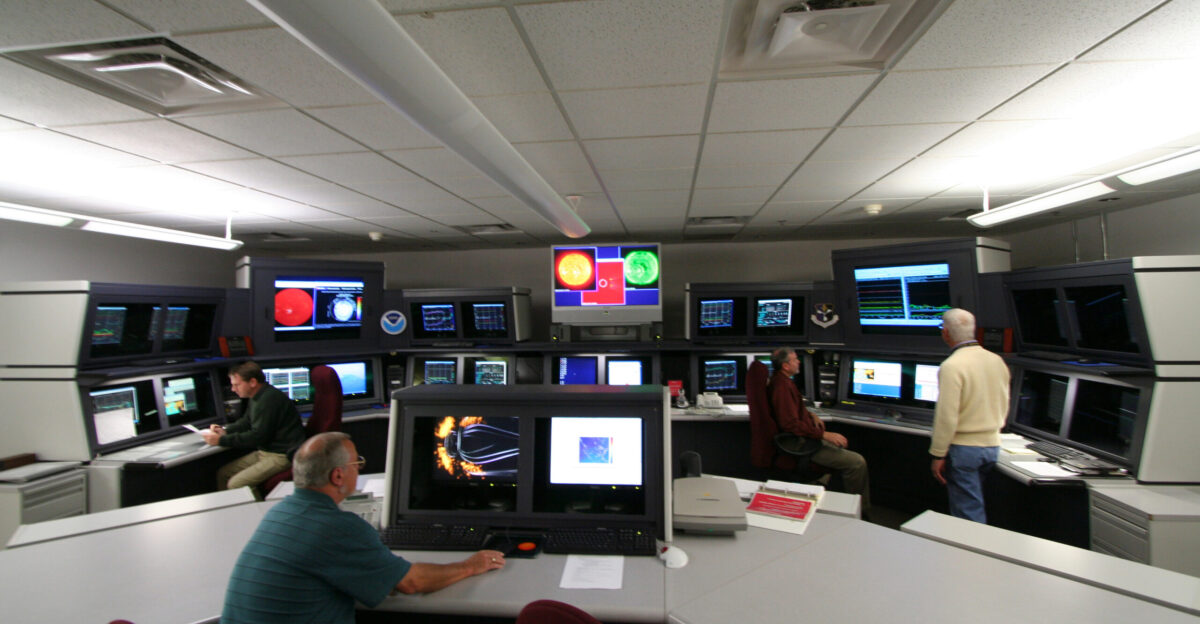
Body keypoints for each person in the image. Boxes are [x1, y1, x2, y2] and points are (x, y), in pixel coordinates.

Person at [221, 432, 506, 623]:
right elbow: (411, 582)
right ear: (337, 475)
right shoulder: (337, 527)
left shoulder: (279, 512)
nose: (359, 469)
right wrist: (471, 565)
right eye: (357, 463)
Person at [930, 308, 1011, 523]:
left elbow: (947, 416)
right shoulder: (996, 360)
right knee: (975, 504)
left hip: (965, 450)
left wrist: (938, 454)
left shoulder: (951, 366)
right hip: (992, 446)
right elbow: (1003, 402)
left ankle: (969, 554)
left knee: (967, 513)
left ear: (945, 332)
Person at [769, 346, 871, 514]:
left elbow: (791, 412)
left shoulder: (782, 381)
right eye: (795, 359)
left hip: (803, 438)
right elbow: (790, 424)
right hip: (800, 444)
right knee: (857, 463)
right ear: (786, 366)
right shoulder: (782, 387)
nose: (798, 361)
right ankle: (859, 511)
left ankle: (821, 490)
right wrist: (824, 434)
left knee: (840, 450)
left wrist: (810, 415)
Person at [203, 361, 306, 493]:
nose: (233, 389)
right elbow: (246, 421)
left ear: (252, 382)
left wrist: (221, 440)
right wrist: (225, 431)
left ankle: (256, 513)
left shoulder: (268, 400)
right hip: (266, 451)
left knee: (236, 484)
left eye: (237, 385)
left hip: (281, 455)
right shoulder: (257, 396)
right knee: (223, 474)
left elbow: (258, 436)